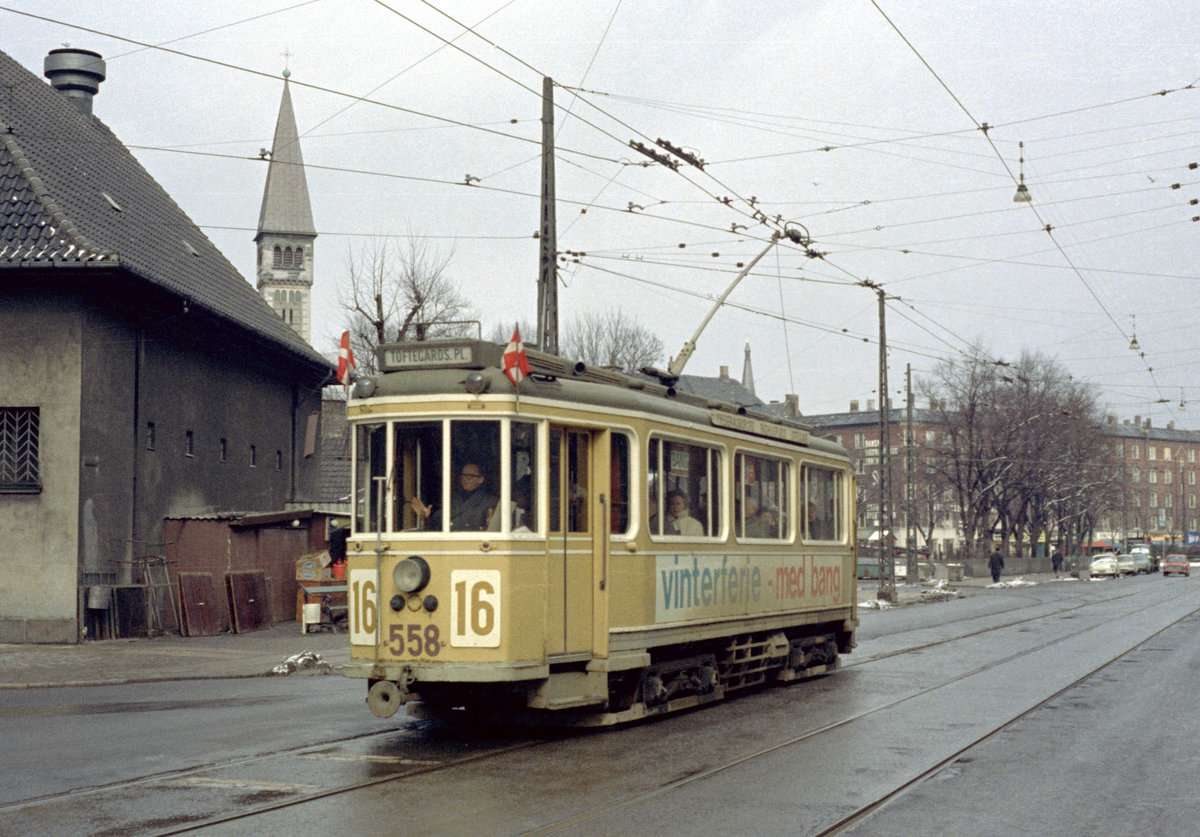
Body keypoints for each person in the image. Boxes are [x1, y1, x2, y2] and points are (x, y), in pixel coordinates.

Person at [410, 462, 497, 531]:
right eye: (463, 476)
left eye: (470, 476)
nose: (465, 479)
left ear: (480, 480)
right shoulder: (453, 498)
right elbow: (438, 523)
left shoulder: (489, 501)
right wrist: (427, 516)